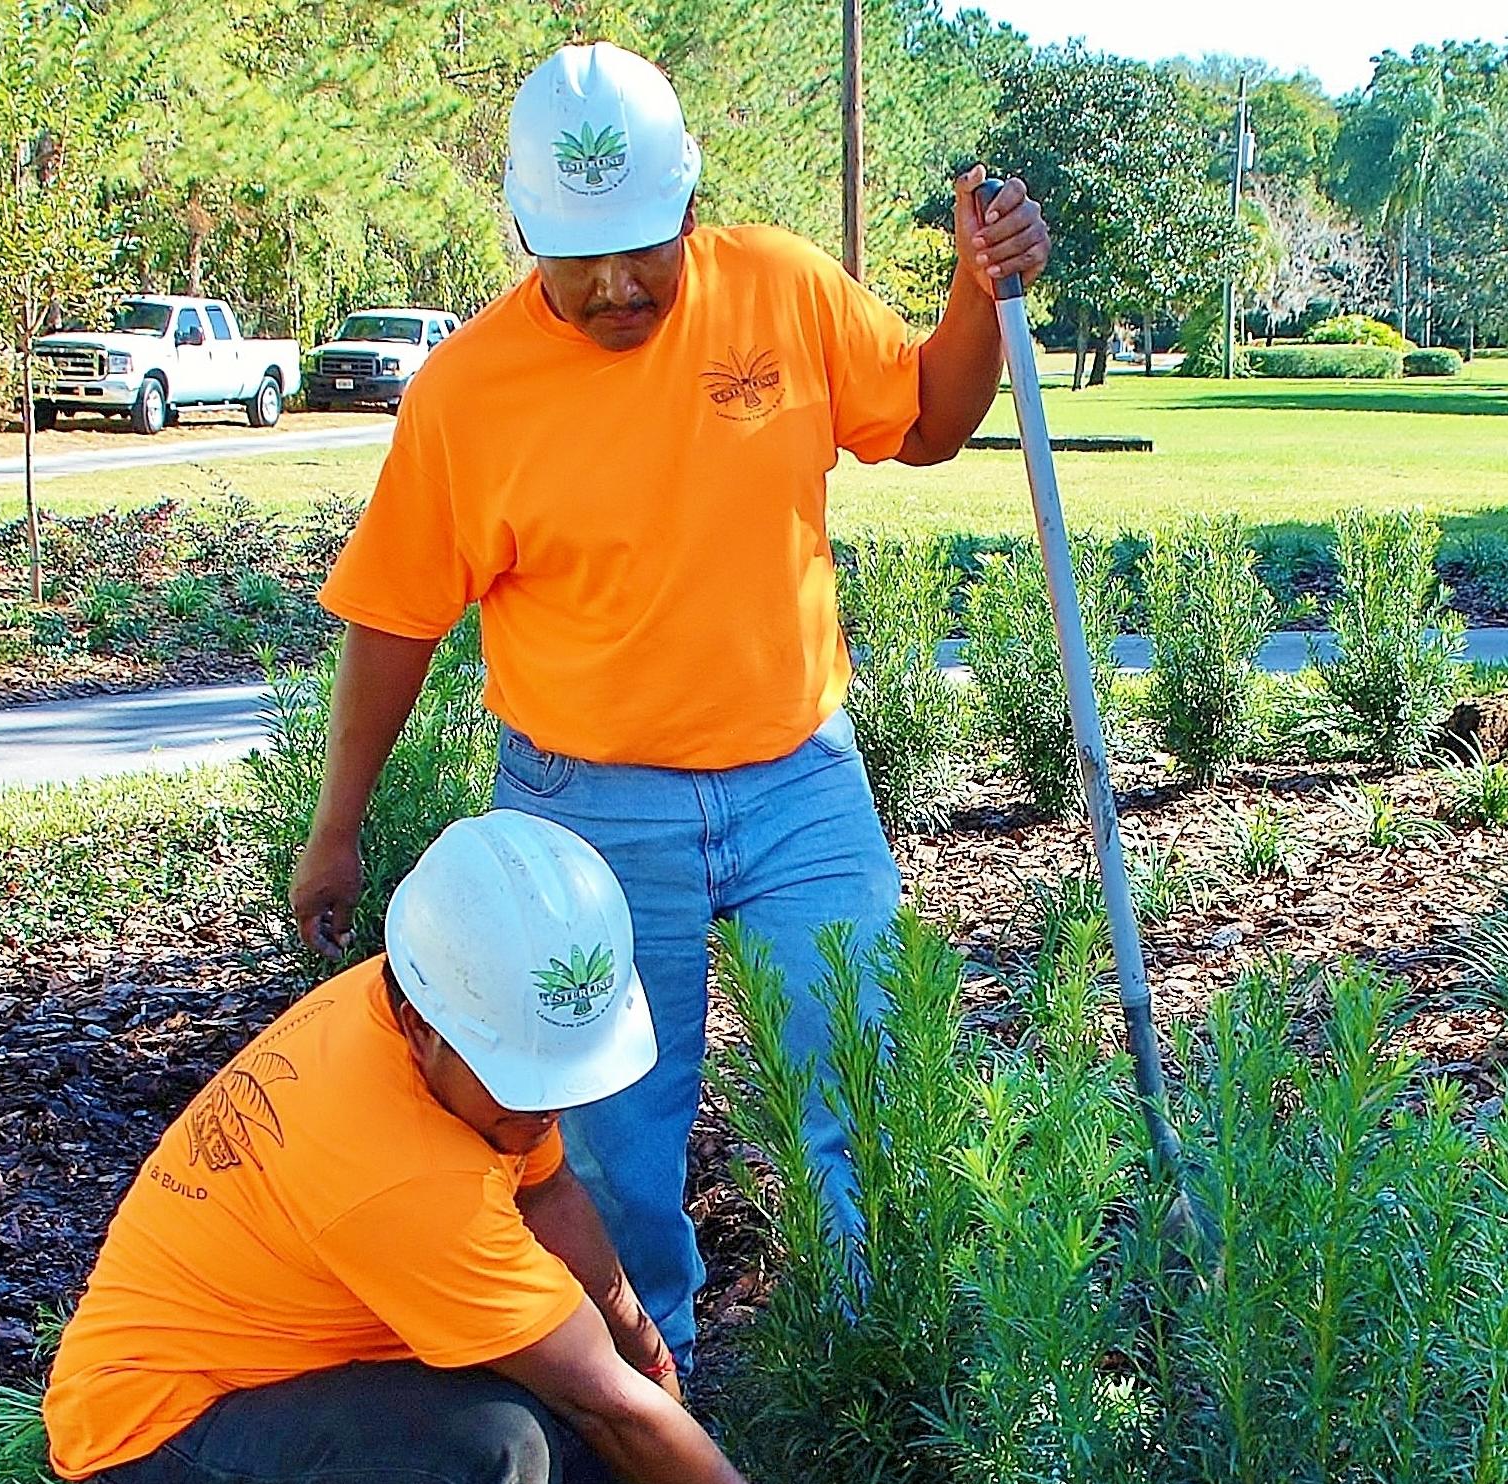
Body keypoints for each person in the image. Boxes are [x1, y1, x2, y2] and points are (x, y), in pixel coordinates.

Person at [289, 41, 1053, 1366]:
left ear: (692, 205)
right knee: (615, 1137)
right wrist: (337, 826)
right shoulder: (468, 394)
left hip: (797, 777)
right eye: (579, 255)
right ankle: (657, 1395)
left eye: (644, 243)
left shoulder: (783, 291)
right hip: (587, 809)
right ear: (524, 228)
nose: (617, 282)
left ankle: (866, 1375)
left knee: (864, 1079)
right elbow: (398, 619)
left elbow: (927, 420)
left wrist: (977, 293)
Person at [47, 813, 912, 1484]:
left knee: (580, 1436)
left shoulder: (432, 1029)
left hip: (264, 1395)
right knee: (502, 1458)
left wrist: (634, 1325)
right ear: (422, 1020)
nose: (541, 1109)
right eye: (525, 1084)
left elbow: (544, 1194)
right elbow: (606, 1406)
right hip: (167, 1454)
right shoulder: (400, 1171)